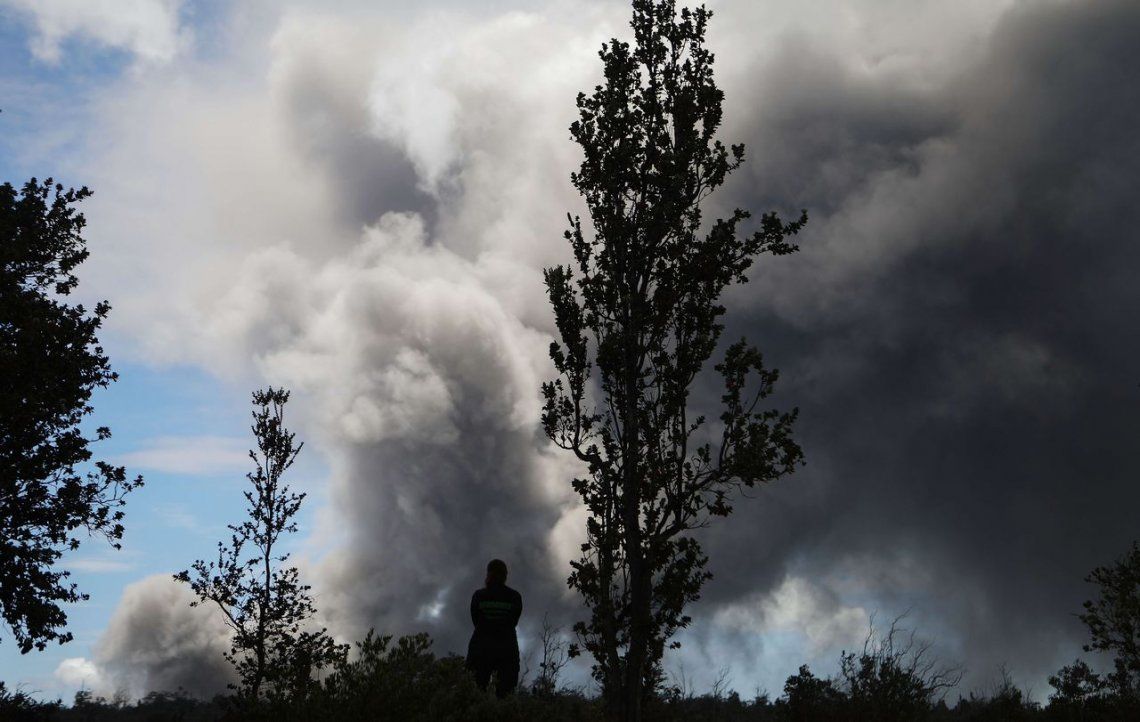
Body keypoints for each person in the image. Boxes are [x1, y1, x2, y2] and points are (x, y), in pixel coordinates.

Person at [466, 558, 522, 697]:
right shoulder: (514, 597)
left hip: (480, 648)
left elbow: (476, 620)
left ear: (488, 574)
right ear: (505, 575)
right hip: (507, 648)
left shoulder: (478, 596)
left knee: (475, 692)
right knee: (505, 695)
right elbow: (513, 621)